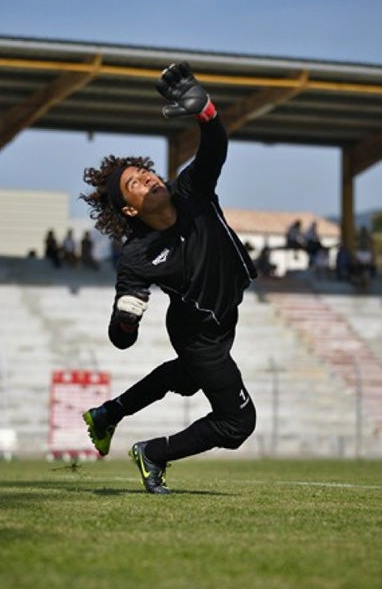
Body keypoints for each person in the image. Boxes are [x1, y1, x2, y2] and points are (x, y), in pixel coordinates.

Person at [80, 62, 257, 494]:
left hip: (223, 315)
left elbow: (214, 149)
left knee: (182, 378)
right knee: (237, 422)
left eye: (146, 173)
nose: (147, 178)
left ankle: (107, 414)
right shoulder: (138, 254)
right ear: (129, 210)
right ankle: (153, 453)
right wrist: (126, 319)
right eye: (135, 184)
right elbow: (121, 339)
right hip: (198, 333)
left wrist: (207, 113)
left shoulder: (193, 190)